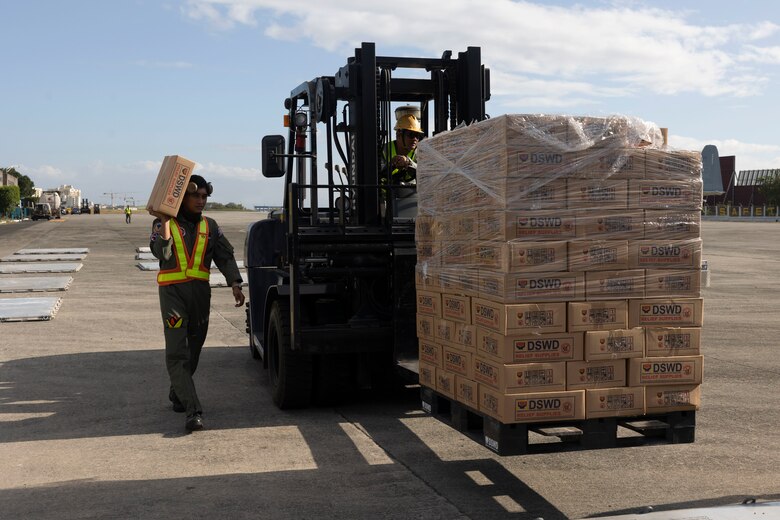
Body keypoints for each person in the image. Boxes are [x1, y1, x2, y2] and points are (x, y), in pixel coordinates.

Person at [148, 174, 245, 432]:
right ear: (183, 198)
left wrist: (235, 282)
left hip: (201, 296)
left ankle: (177, 391)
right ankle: (194, 410)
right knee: (178, 351)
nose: (201, 201)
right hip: (173, 295)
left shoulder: (210, 226)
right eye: (196, 196)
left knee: (195, 348)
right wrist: (165, 220)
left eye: (204, 196)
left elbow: (225, 256)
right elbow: (162, 252)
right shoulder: (162, 224)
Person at [380, 113, 424, 186]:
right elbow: (377, 173)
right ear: (399, 135)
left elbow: (425, 173)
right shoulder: (384, 150)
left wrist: (409, 163)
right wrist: (392, 164)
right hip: (387, 195)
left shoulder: (419, 153)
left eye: (417, 135)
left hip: (411, 195)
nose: (415, 139)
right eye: (411, 135)